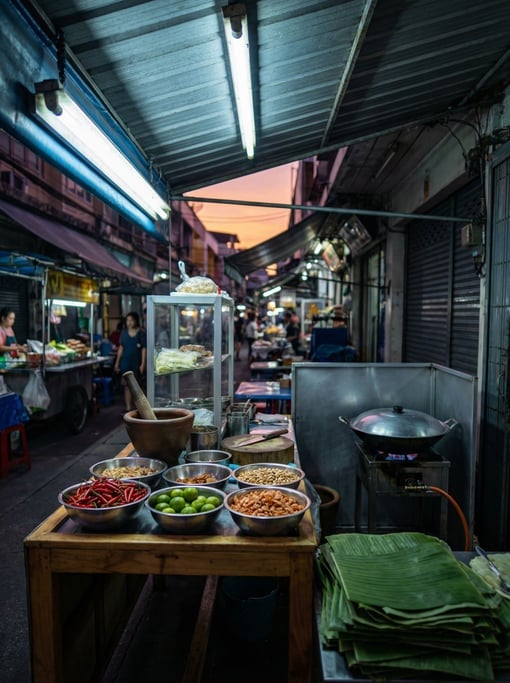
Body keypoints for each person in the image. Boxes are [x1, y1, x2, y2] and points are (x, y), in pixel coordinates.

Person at [114, 311, 147, 412]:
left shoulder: (140, 333)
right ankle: (128, 408)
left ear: (136, 321)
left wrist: (143, 364)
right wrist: (117, 363)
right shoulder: (124, 333)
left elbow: (144, 349)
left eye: (131, 320)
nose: (129, 322)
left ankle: (141, 408)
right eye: (128, 320)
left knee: (138, 386)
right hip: (125, 363)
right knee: (127, 386)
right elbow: (121, 348)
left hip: (136, 363)